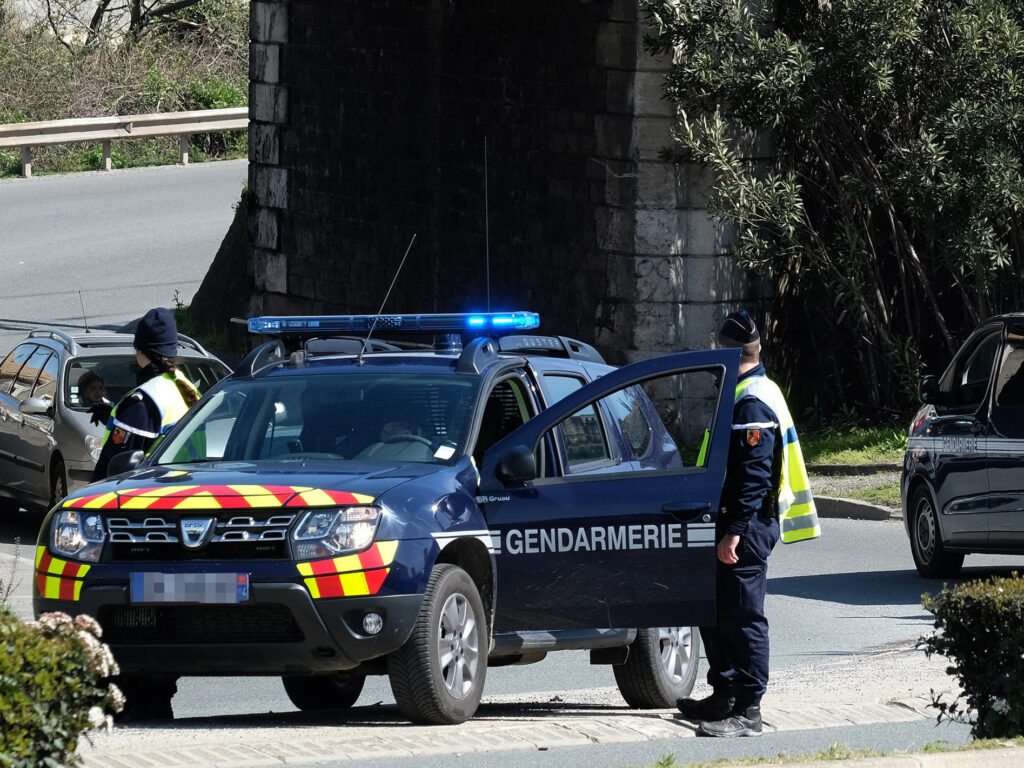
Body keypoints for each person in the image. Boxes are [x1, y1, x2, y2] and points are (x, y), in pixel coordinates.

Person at [677, 310, 820, 737]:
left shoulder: (752, 399)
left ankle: (749, 710)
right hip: (729, 523)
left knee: (743, 616)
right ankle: (723, 696)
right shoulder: (746, 391)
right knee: (716, 611)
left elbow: (754, 476)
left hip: (746, 527)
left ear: (727, 350)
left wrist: (734, 532)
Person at [92, 308, 200, 480]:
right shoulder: (187, 388)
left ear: (139, 350)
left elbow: (112, 470)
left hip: (152, 496)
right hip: (189, 489)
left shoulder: (143, 402)